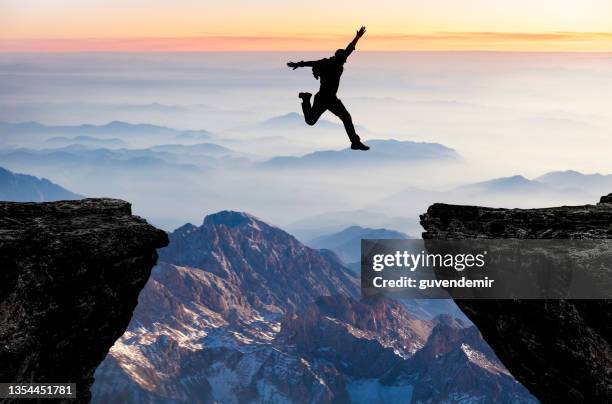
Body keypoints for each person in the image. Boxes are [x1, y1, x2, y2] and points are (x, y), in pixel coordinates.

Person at [287, 26, 370, 150]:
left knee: (345, 118)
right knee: (311, 121)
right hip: (323, 98)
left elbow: (349, 49)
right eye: (344, 60)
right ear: (339, 58)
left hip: (331, 98)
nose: (345, 61)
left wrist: (357, 37)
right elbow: (312, 63)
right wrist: (299, 64)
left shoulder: (335, 60)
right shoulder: (329, 63)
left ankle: (355, 142)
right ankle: (305, 99)